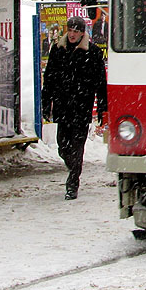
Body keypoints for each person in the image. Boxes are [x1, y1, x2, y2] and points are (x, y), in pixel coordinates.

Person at [42, 16, 108, 200]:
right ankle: (74, 166)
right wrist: (46, 103)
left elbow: (100, 83)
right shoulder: (57, 50)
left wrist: (103, 108)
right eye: (70, 30)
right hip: (63, 106)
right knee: (63, 146)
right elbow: (49, 79)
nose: (72, 34)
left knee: (77, 146)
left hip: (81, 106)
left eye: (76, 31)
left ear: (82, 33)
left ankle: (73, 183)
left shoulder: (92, 52)